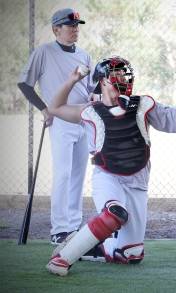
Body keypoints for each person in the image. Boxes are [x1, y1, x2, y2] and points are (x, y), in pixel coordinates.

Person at [45, 56, 176, 276]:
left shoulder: (142, 104)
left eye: (124, 73)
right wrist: (73, 79)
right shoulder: (89, 111)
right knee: (114, 213)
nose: (122, 78)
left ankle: (84, 244)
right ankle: (61, 259)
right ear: (103, 81)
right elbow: (55, 107)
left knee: (130, 255)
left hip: (137, 182)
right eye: (115, 74)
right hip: (108, 177)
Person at [17, 8, 95, 245]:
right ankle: (59, 229)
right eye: (69, 26)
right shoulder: (43, 52)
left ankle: (73, 226)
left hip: (84, 119)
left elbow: (90, 89)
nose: (75, 30)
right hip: (61, 119)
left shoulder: (85, 55)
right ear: (55, 29)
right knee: (62, 174)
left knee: (78, 176)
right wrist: (44, 109)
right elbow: (25, 84)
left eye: (76, 26)